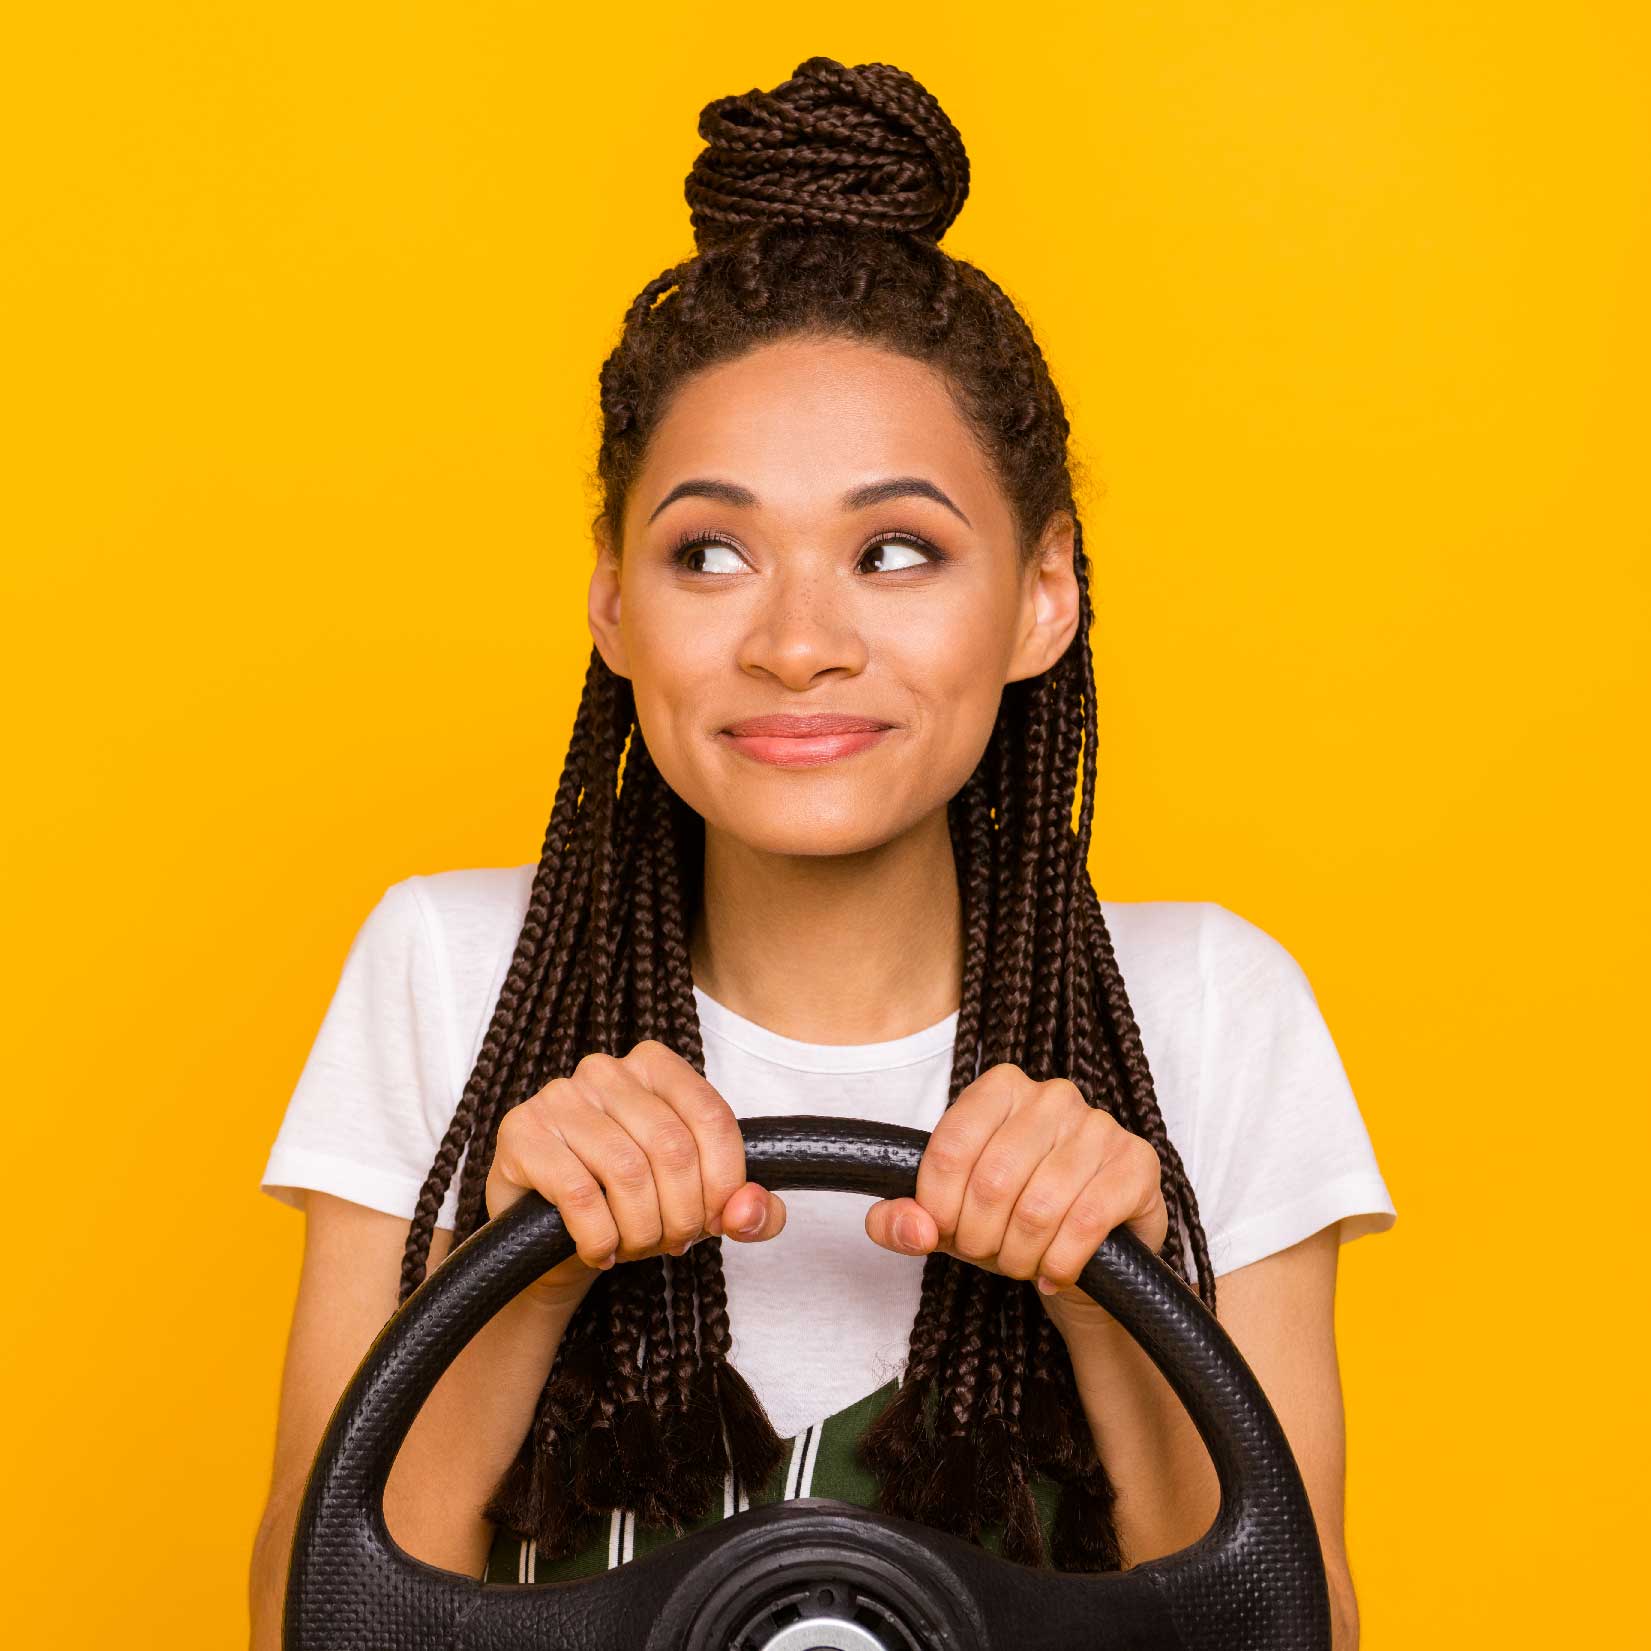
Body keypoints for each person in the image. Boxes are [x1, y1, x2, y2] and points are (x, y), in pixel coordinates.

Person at [248, 55, 1394, 1648]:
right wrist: (520, 1271)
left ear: (1044, 594)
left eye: (896, 551)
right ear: (612, 600)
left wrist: (1108, 1301)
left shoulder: (1213, 1008)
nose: (798, 643)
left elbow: (1293, 1633)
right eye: (709, 552)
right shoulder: (448, 973)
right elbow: (306, 1620)